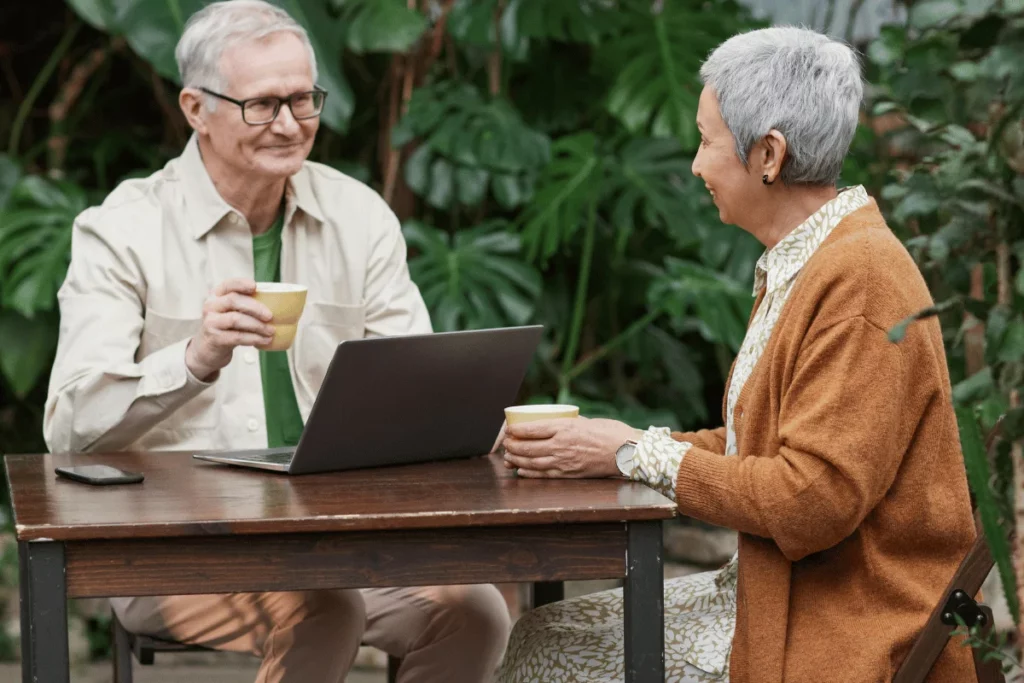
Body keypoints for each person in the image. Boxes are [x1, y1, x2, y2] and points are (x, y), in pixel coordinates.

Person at [43, 2, 510, 681]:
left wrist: (462, 416)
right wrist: (195, 358)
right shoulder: (121, 230)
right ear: (196, 108)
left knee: (476, 610)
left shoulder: (359, 216)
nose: (289, 125)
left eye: (302, 100)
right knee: (321, 609)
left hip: (342, 542)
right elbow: (69, 425)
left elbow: (415, 385)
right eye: (263, 105)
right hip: (168, 548)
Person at [495, 26, 976, 683]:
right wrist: (607, 446)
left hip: (848, 618)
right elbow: (761, 441)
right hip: (777, 590)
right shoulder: (813, 257)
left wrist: (636, 452)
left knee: (548, 654)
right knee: (542, 631)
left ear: (768, 154)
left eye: (706, 139)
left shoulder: (858, 277)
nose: (695, 165)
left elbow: (811, 497)